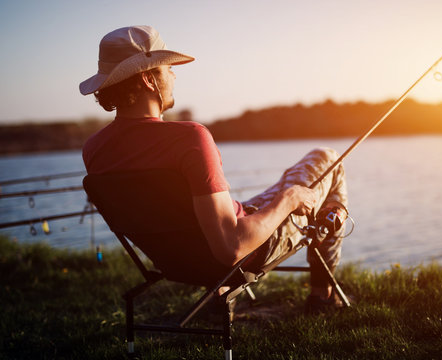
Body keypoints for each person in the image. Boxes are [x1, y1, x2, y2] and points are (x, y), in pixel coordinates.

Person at [80, 25, 348, 312]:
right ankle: (323, 294)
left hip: (178, 263)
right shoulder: (188, 138)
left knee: (290, 184)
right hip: (246, 251)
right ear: (148, 79)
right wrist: (290, 200)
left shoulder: (95, 149)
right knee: (328, 159)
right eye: (167, 68)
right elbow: (231, 248)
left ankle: (222, 294)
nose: (173, 74)